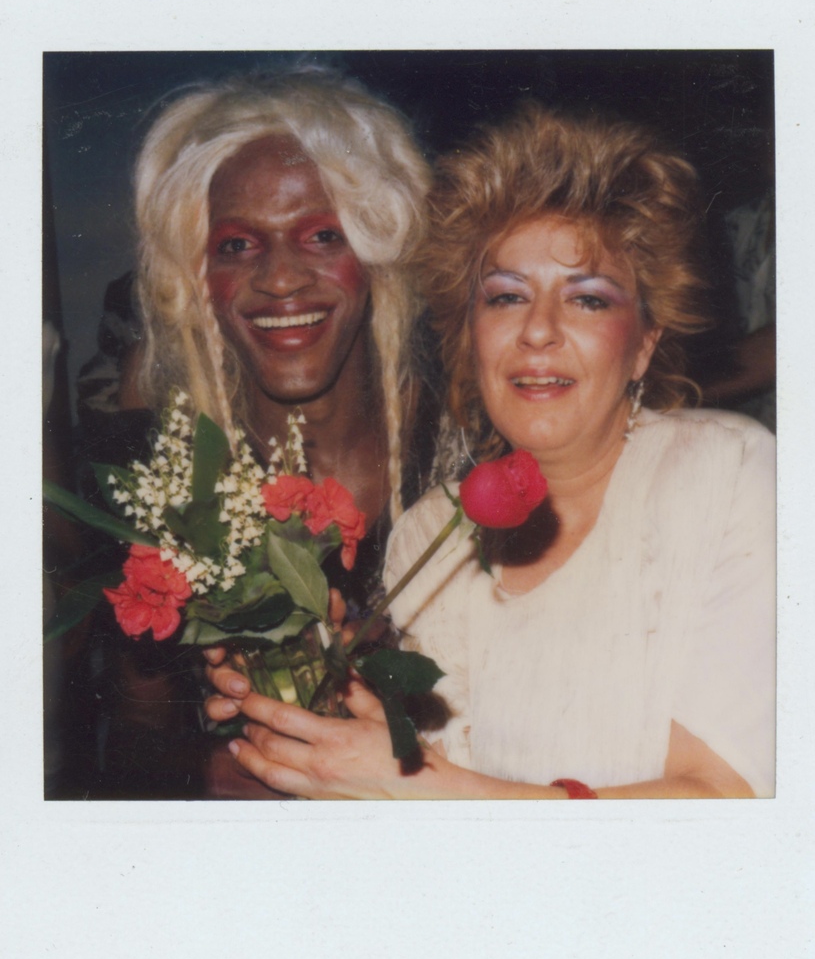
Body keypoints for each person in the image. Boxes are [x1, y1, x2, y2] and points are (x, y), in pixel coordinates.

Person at [205, 103, 775, 800]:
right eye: (505, 297)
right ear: (468, 334)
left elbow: (724, 805)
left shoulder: (731, 474)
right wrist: (314, 686)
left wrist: (424, 794)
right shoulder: (427, 535)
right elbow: (432, 783)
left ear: (644, 344)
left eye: (588, 301)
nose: (537, 331)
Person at [60, 67, 435, 798]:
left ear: (378, 248)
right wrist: (208, 776)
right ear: (194, 275)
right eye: (237, 245)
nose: (281, 279)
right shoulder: (154, 491)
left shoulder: (469, 441)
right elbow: (120, 744)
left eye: (323, 235)